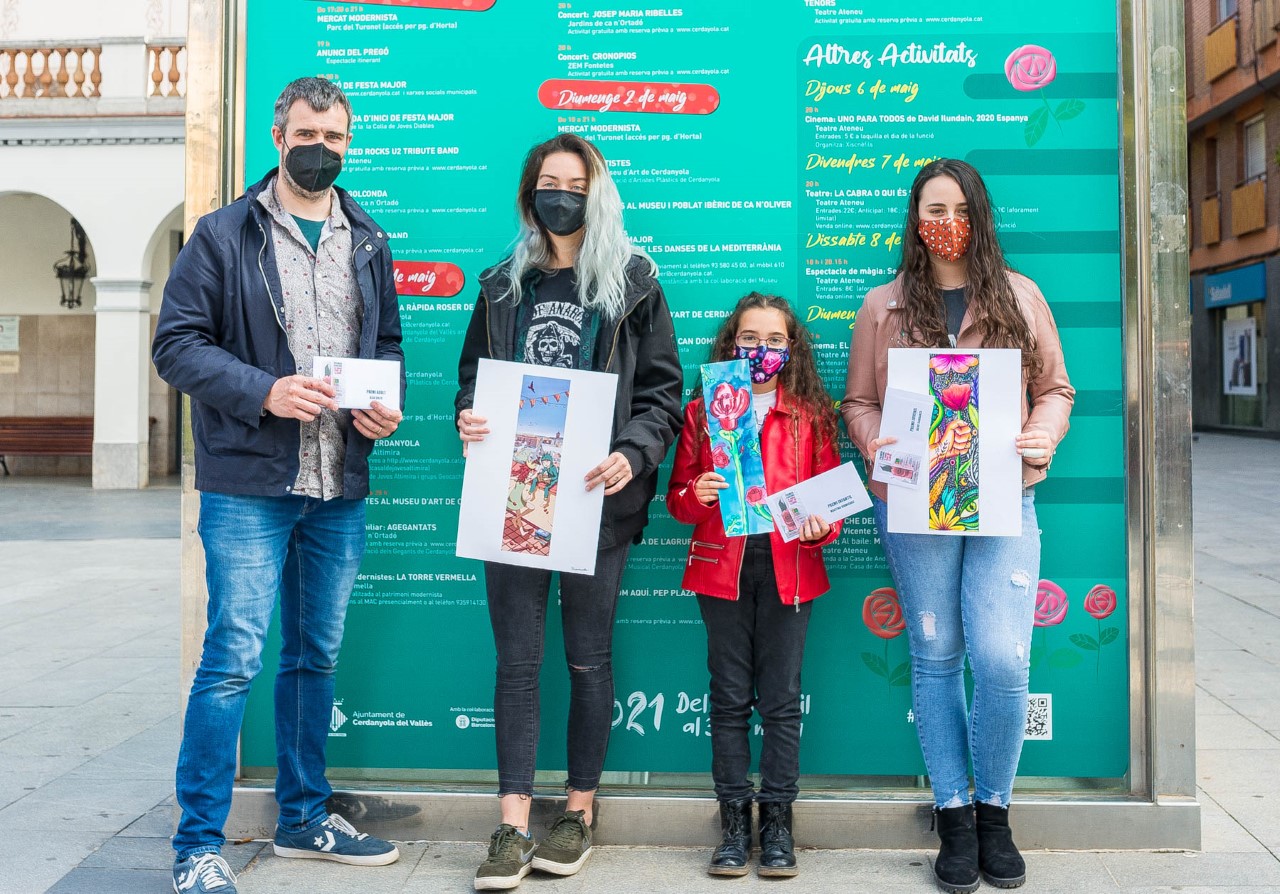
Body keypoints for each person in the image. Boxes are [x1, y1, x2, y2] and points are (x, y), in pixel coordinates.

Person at [153, 77, 405, 894]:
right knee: (232, 658)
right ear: (277, 136)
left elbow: (388, 343)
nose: (321, 149)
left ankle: (303, 817)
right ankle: (197, 844)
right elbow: (178, 345)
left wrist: (381, 407)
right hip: (250, 485)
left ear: (348, 142)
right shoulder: (222, 236)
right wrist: (264, 389)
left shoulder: (368, 239)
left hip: (337, 482)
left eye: (335, 138)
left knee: (314, 657)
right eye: (307, 134)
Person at [454, 132, 683, 891]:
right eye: (548, 182)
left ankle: (578, 811)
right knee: (517, 664)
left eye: (575, 183)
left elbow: (661, 395)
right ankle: (511, 823)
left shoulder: (635, 283)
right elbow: (471, 384)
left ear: (597, 191)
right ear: (530, 193)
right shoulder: (498, 286)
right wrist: (470, 419)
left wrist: (634, 453)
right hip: (513, 494)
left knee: (588, 659)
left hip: (597, 497)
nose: (561, 194)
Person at [841, 158, 1073, 894]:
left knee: (1003, 660)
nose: (945, 222)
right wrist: (873, 441)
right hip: (916, 505)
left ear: (979, 213)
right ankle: (955, 815)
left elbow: (1056, 388)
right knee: (937, 651)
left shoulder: (1020, 296)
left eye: (957, 207)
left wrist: (1044, 432)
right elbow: (857, 403)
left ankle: (996, 812)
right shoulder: (883, 306)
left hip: (1005, 499)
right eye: (930, 208)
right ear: (914, 221)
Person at [666, 292, 843, 879]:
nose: (761, 350)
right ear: (730, 343)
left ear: (791, 348)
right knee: (729, 698)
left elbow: (830, 501)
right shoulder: (703, 413)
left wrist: (821, 528)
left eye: (773, 340)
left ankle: (778, 826)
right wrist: (699, 495)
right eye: (749, 339)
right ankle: (734, 825)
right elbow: (678, 503)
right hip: (725, 565)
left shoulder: (812, 415)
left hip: (790, 566)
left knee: (783, 702)